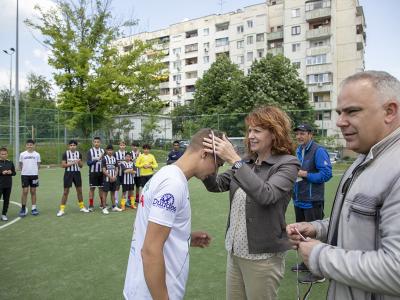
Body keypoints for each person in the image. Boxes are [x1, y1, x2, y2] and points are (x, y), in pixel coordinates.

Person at [287, 71, 400, 300]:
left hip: (313, 198)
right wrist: (319, 228)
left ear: (390, 111)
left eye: (353, 111)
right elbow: (361, 221)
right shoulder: (364, 156)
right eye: (339, 113)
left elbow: (396, 270)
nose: (340, 122)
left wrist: (319, 256)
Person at [202, 106, 300, 300]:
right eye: (249, 130)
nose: (251, 136)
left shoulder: (288, 164)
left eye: (257, 130)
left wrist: (234, 160)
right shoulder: (247, 161)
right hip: (235, 250)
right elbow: (217, 185)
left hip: (262, 256)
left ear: (274, 133)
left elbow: (266, 195)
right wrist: (213, 163)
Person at [123, 128, 222, 300]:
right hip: (152, 294)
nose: (216, 172)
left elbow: (151, 231)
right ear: (204, 154)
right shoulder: (173, 184)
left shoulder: (167, 174)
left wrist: (185, 237)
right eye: (218, 164)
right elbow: (150, 250)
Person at [291, 123, 332, 283]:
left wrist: (305, 174)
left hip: (313, 200)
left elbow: (326, 174)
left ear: (310, 135)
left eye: (303, 133)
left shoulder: (318, 150)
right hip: (299, 199)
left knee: (315, 236)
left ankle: (319, 273)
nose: (299, 136)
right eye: (298, 134)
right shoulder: (298, 150)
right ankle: (307, 262)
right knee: (302, 234)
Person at [57, 140, 89, 217]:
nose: (72, 146)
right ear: (69, 146)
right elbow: (63, 165)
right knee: (65, 192)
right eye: (71, 145)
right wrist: (73, 162)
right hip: (68, 174)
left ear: (76, 146)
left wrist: (79, 162)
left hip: (77, 173)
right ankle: (61, 209)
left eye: (74, 145)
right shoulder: (66, 154)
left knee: (79, 190)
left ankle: (82, 207)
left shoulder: (79, 154)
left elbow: (81, 166)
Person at [19, 139, 41, 217]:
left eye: (31, 145)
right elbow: (20, 164)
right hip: (24, 175)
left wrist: (34, 171)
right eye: (28, 144)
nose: (29, 146)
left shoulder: (37, 154)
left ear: (34, 145)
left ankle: (34, 208)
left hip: (34, 175)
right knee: (25, 191)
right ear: (26, 145)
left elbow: (38, 165)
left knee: (33, 191)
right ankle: (23, 208)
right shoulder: (22, 154)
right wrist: (24, 171)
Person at [101, 145, 122, 214]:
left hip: (114, 179)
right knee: (105, 193)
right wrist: (110, 177)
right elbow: (104, 170)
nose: (110, 151)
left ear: (113, 151)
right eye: (108, 150)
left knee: (113, 192)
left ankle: (114, 206)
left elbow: (116, 168)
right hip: (107, 179)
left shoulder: (114, 158)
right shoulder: (104, 159)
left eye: (111, 150)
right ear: (106, 151)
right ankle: (104, 208)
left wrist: (115, 176)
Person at [87, 136, 104, 212]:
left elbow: (105, 161)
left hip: (101, 173)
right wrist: (96, 160)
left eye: (98, 142)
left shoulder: (103, 151)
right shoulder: (90, 151)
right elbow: (88, 163)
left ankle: (102, 204)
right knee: (92, 188)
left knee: (101, 188)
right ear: (93, 143)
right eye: (95, 142)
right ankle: (91, 205)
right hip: (93, 173)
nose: (96, 143)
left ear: (100, 143)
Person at [0, 147, 16, 221]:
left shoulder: (10, 162)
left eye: (5, 154)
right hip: (0, 185)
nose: (3, 155)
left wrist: (11, 172)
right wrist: (1, 172)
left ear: (7, 154)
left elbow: (14, 173)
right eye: (2, 154)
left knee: (6, 200)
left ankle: (4, 214)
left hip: (8, 185)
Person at [114, 141, 126, 207]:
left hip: (125, 173)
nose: (122, 146)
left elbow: (130, 161)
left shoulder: (127, 153)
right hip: (118, 173)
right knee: (117, 187)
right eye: (121, 145)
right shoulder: (116, 153)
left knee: (125, 187)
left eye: (123, 145)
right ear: (119, 146)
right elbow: (114, 162)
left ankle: (123, 201)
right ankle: (116, 201)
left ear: (125, 146)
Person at [130, 142, 141, 206]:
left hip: (139, 172)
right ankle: (130, 199)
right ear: (132, 146)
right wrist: (136, 156)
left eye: (136, 146)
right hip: (132, 173)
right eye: (134, 146)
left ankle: (137, 198)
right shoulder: (130, 153)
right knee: (131, 187)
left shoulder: (140, 153)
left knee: (138, 186)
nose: (135, 147)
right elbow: (130, 161)